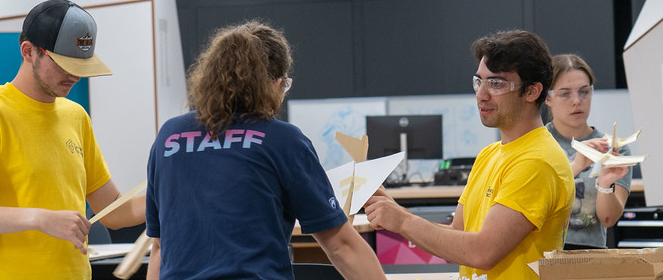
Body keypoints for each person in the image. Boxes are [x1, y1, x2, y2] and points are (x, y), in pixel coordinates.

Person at [144, 21, 385, 279]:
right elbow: (341, 245)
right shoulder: (283, 140)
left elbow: (159, 247)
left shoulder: (169, 137)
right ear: (274, 84)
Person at [365, 30, 574, 279]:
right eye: (479, 81)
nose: (481, 94)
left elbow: (482, 252)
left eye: (495, 83)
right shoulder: (490, 154)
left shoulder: (537, 162)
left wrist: (402, 222)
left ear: (531, 92)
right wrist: (395, 211)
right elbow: (458, 235)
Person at [0, 0, 146, 279]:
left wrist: (172, 196)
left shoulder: (75, 116)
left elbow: (113, 211)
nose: (76, 76)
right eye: (65, 65)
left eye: (82, 65)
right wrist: (40, 218)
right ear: (29, 51)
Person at [543, 54, 630, 249]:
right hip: (545, 257)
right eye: (565, 94)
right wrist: (575, 166)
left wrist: (605, 183)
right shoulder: (537, 145)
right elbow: (533, 204)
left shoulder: (613, 148)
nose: (577, 101)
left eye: (584, 92)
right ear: (548, 97)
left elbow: (608, 219)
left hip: (592, 257)